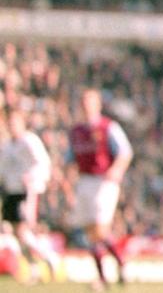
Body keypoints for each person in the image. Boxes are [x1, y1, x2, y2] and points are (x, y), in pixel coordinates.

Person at [68, 88, 133, 290]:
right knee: (90, 232)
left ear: (97, 104)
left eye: (90, 102)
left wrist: (116, 170)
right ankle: (107, 274)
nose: (86, 106)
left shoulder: (108, 127)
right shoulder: (76, 131)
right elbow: (70, 159)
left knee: (100, 229)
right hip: (85, 181)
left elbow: (125, 152)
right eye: (83, 102)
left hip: (103, 181)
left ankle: (118, 265)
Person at [1, 110, 61, 279]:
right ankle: (34, 267)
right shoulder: (7, 146)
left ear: (22, 124)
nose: (12, 127)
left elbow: (43, 163)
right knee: (16, 233)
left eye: (15, 123)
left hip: (27, 191)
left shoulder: (29, 141)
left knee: (23, 231)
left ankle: (50, 257)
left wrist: (33, 178)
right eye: (10, 123)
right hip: (11, 192)